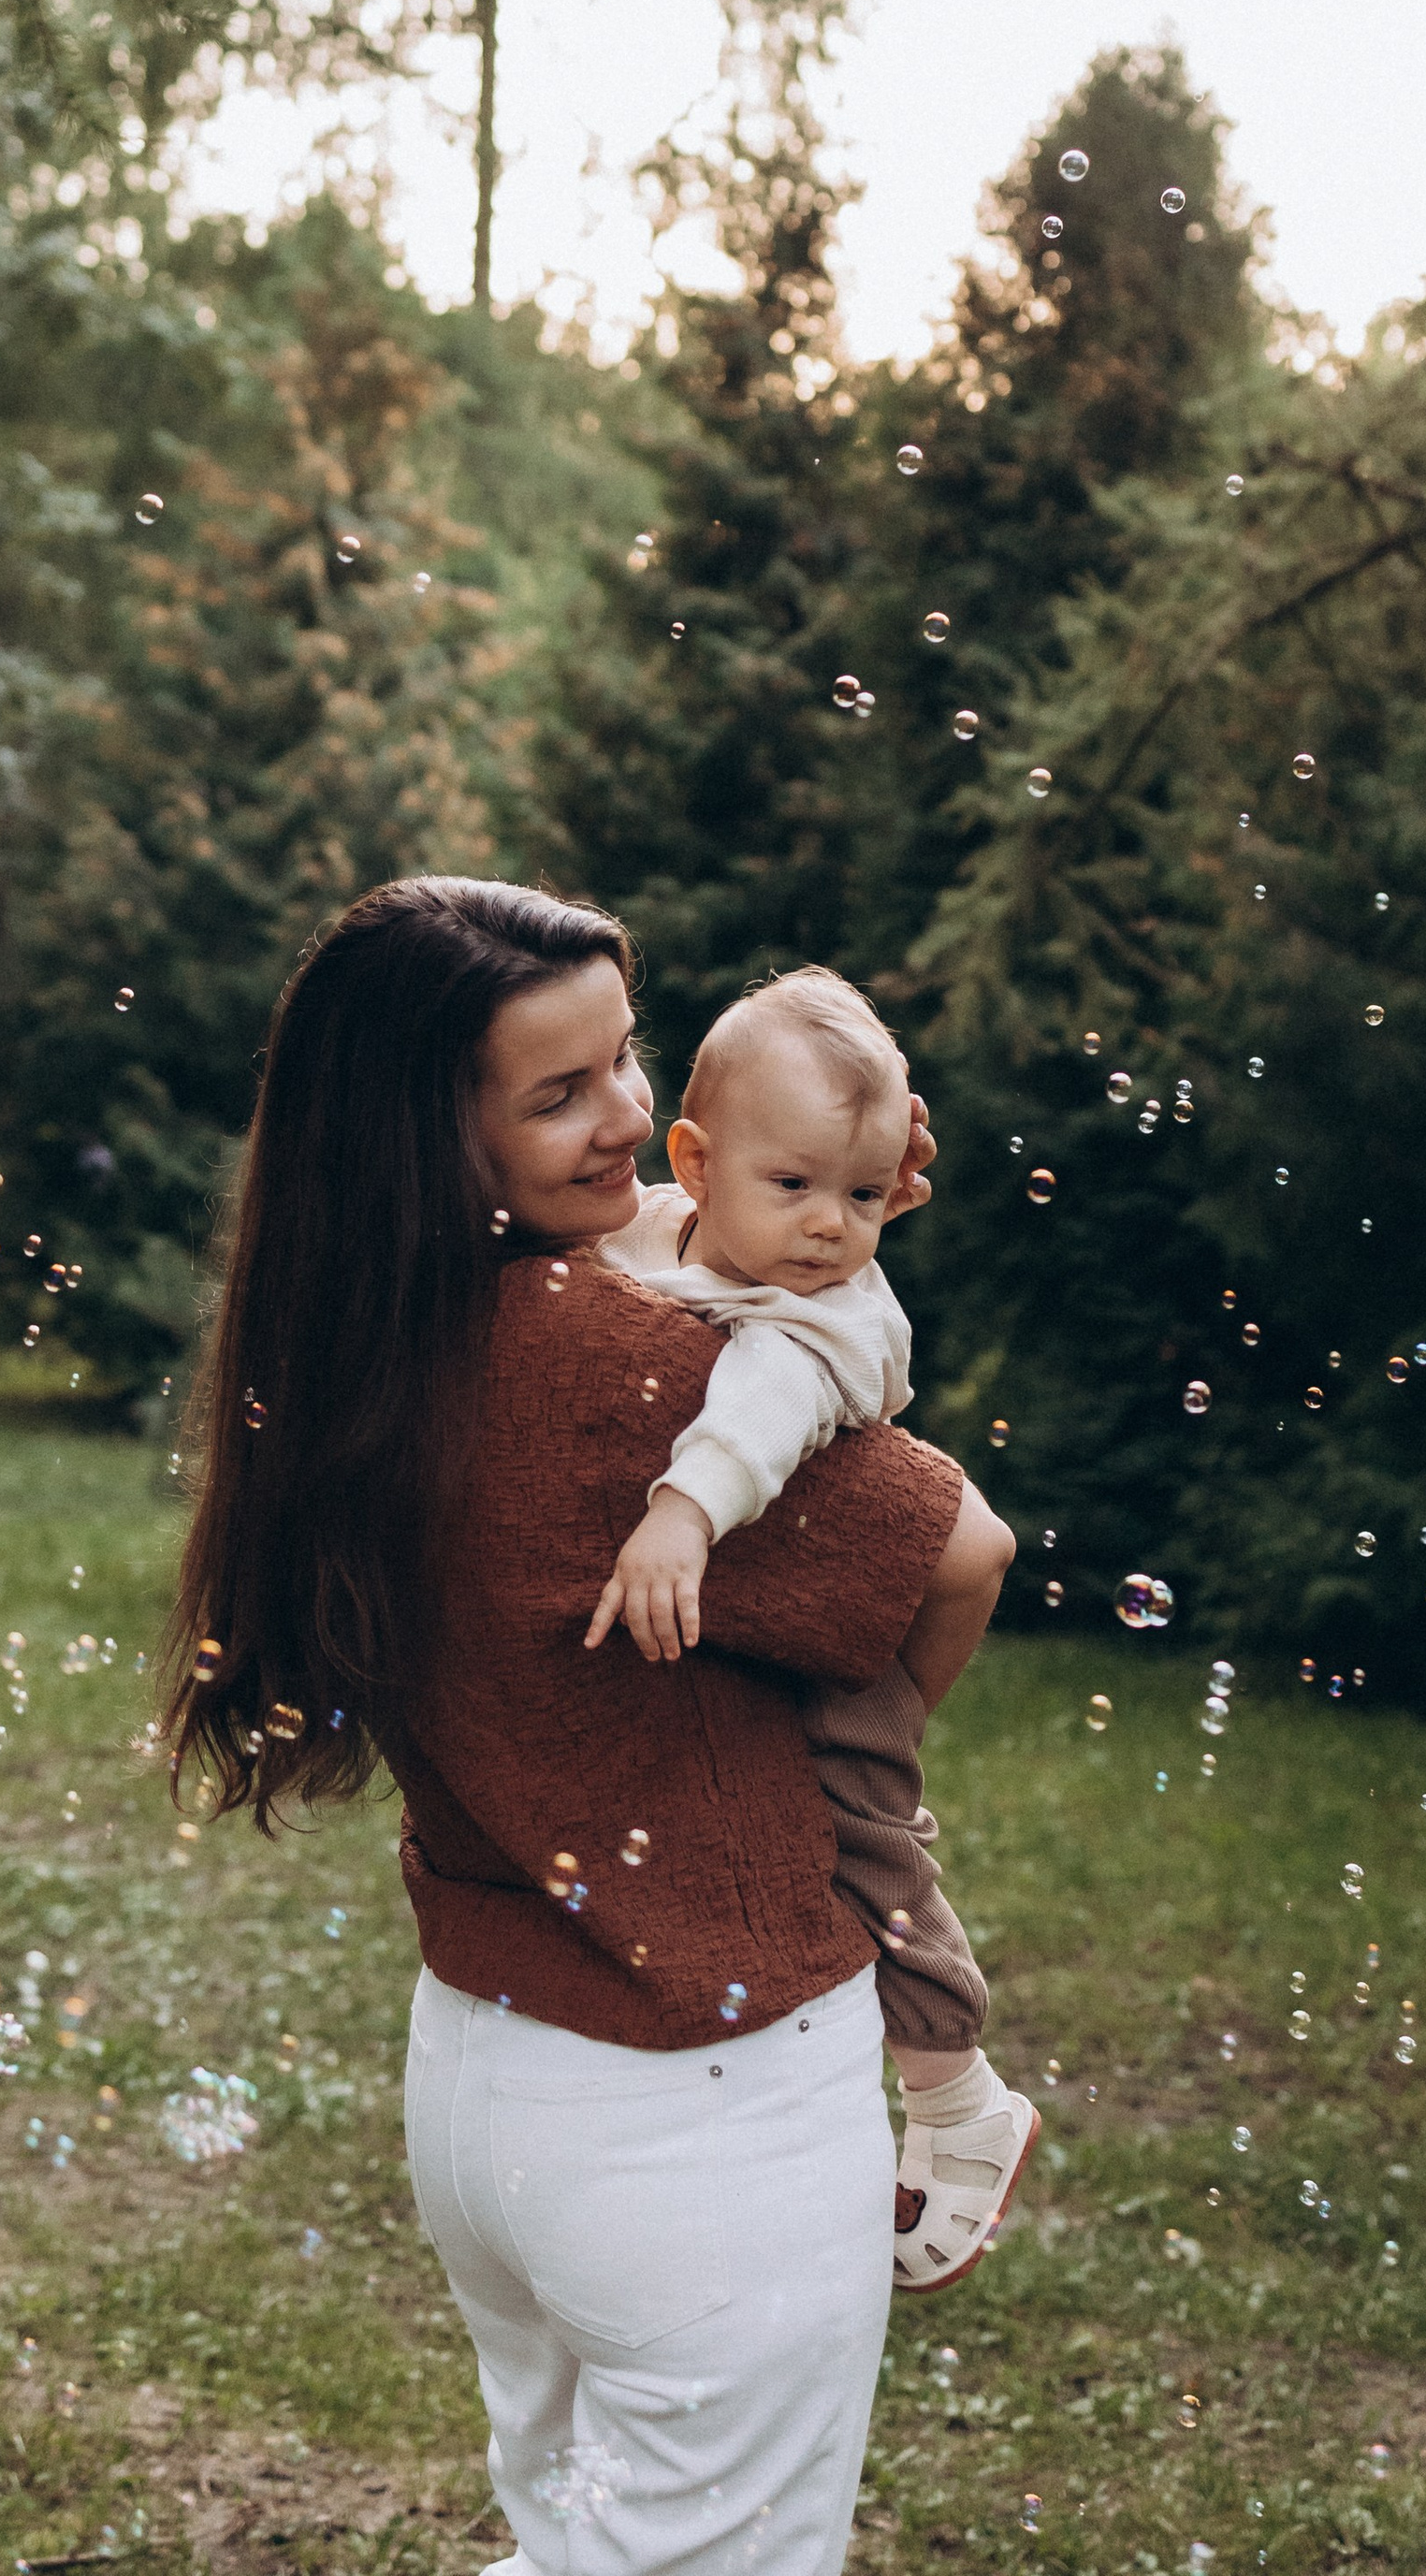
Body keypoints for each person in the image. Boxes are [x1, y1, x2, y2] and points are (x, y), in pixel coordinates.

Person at [163, 877, 1016, 2576]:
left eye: (627, 1057)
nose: (630, 1114)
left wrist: (786, 1198)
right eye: (560, 1094)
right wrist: (841, 1766)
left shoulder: (369, 1335)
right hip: (697, 2105)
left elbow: (639, 1268)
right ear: (431, 1143)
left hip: (487, 2082)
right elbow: (963, 1549)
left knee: (574, 2543)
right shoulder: (626, 1373)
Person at [587, 966, 1036, 2292]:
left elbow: (755, 1417)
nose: (832, 1226)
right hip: (784, 1623)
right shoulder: (671, 1227)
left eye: (863, 1197)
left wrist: (680, 1515)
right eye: (796, 1185)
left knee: (865, 1837)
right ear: (694, 1165)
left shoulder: (819, 1321)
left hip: (841, 1629)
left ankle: (959, 2097)